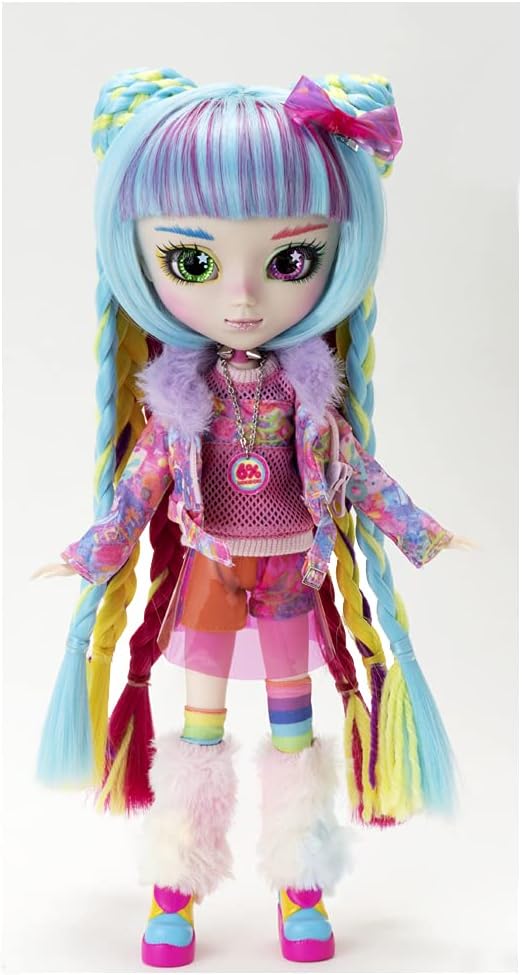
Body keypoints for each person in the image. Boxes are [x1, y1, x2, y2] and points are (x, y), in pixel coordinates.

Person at [33, 68, 473, 967]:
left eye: (289, 261)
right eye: (193, 262)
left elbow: (358, 473)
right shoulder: (178, 402)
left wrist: (419, 529)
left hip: (291, 574)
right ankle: (174, 887)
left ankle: (300, 885)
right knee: (198, 730)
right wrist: (89, 552)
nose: (241, 299)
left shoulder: (311, 395)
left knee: (291, 728)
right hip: (209, 569)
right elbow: (139, 489)